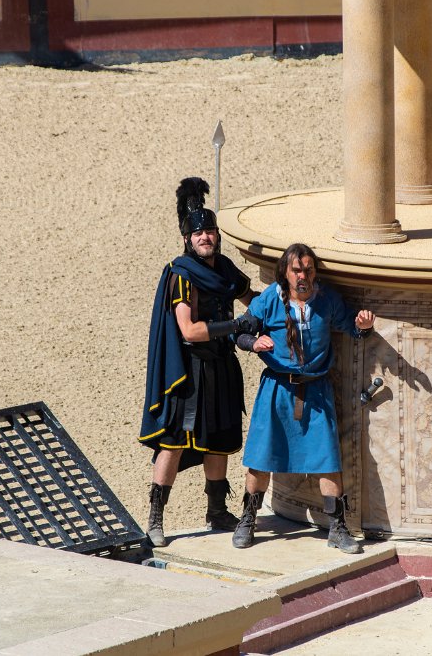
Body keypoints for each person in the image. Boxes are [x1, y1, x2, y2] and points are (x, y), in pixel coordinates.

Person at [139, 177, 260, 547]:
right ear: (187, 238)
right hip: (188, 372)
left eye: (209, 231)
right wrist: (236, 325)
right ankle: (155, 519)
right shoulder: (183, 275)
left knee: (218, 439)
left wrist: (281, 300)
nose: (205, 237)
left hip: (221, 366)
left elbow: (250, 296)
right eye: (198, 233)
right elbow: (189, 330)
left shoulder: (223, 269)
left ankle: (217, 511)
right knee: (174, 441)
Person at [232, 243, 374, 554]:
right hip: (277, 390)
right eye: (297, 270)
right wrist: (254, 342)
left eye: (308, 270)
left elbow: (351, 328)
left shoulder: (328, 300)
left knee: (328, 460)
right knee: (260, 458)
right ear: (285, 272)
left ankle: (337, 528)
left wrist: (362, 326)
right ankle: (248, 519)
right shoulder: (270, 298)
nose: (303, 276)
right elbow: (238, 333)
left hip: (316, 391)